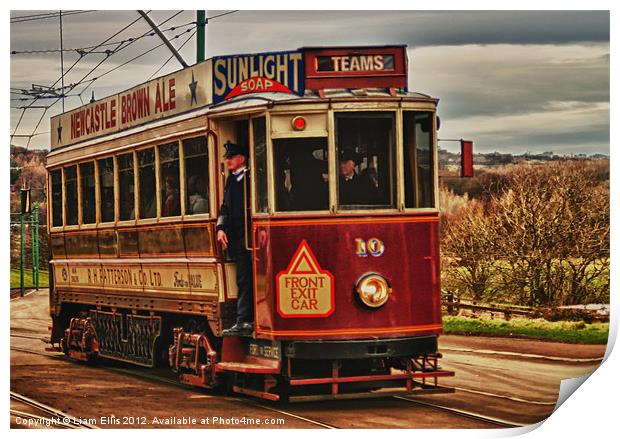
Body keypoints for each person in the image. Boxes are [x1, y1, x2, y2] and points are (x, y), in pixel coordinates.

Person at [216, 141, 254, 337]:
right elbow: (225, 207)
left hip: (252, 237)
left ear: (242, 159)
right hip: (238, 239)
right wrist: (220, 228)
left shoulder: (252, 177)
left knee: (248, 279)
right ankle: (243, 319)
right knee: (242, 279)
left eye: (231, 158)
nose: (228, 161)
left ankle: (246, 319)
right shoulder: (231, 180)